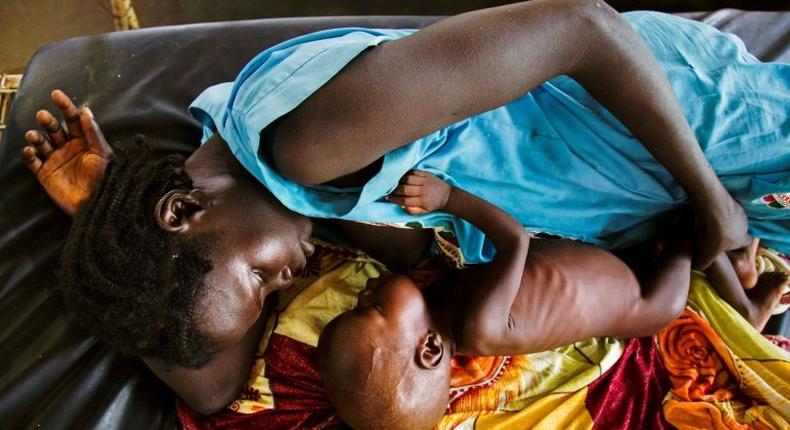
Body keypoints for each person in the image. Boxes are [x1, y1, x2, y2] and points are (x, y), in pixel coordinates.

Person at [20, 0, 787, 415]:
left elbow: (583, 28)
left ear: (183, 210)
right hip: (646, 200)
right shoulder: (268, 194)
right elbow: (215, 388)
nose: (291, 276)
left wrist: (710, 199)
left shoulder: (305, 145)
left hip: (671, 122)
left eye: (260, 279)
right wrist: (94, 216)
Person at [318, 171, 788, 430]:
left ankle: (742, 281)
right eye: (371, 309)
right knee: (692, 227)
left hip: (615, 261)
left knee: (679, 228)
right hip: (647, 304)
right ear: (429, 349)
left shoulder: (438, 297)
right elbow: (513, 241)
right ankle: (747, 304)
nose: (363, 290)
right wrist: (449, 196)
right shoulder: (481, 326)